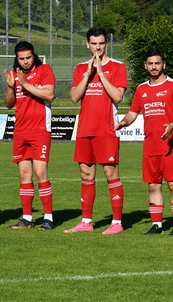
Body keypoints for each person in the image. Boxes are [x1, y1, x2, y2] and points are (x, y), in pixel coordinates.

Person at [116, 49, 173, 236]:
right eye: (150, 64)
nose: (154, 67)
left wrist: (171, 126)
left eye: (157, 63)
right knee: (153, 185)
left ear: (163, 64)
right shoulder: (141, 89)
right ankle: (157, 225)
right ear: (145, 66)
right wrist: (124, 122)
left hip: (171, 145)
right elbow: (133, 112)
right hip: (150, 146)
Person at [65, 26, 127, 235]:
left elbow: (117, 97)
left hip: (106, 128)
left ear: (106, 44)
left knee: (111, 173)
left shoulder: (118, 66)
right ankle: (86, 222)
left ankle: (117, 223)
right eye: (94, 44)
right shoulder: (81, 67)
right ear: (88, 44)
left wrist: (100, 73)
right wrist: (88, 73)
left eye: (101, 43)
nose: (98, 47)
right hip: (84, 129)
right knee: (86, 174)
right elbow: (74, 97)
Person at [3, 42, 56, 231]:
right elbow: (9, 104)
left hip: (40, 129)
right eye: (21, 59)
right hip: (20, 131)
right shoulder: (15, 76)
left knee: (40, 173)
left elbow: (49, 95)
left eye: (28, 58)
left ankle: (48, 218)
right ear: (16, 59)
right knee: (24, 174)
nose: (25, 62)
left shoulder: (44, 70)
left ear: (34, 56)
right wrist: (11, 87)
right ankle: (27, 219)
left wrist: (25, 84)